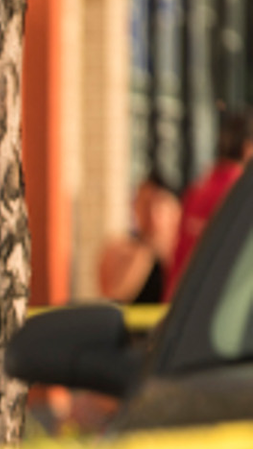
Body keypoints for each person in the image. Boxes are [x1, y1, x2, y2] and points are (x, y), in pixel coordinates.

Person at [169, 111, 253, 293]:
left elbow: (178, 260)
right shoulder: (242, 197)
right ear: (248, 149)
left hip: (189, 304)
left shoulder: (197, 191)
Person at [97, 176, 180, 304]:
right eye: (145, 204)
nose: (151, 214)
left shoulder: (186, 252)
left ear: (175, 211)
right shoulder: (120, 251)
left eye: (158, 205)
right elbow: (114, 295)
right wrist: (146, 253)